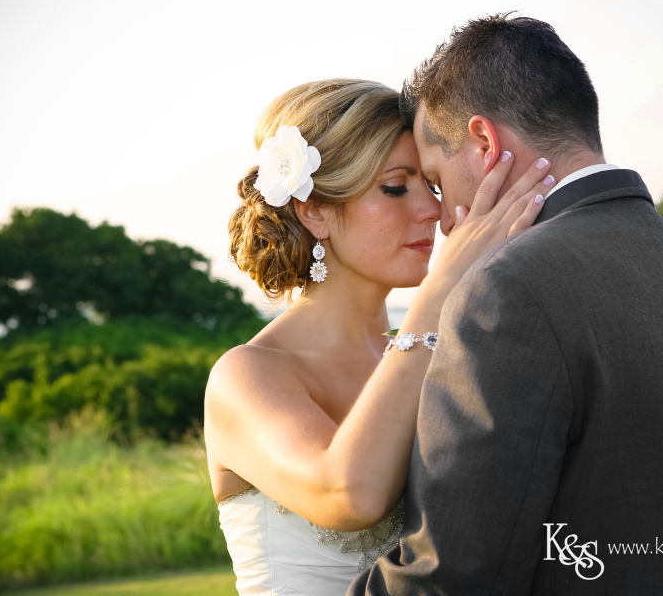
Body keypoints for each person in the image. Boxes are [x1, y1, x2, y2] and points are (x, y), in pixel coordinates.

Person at [346, 14, 663, 596]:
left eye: (438, 182)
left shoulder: (505, 292)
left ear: (484, 144)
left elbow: (454, 576)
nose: (442, 218)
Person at [204, 78, 559, 596]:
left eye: (433, 187)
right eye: (396, 187)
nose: (433, 213)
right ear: (315, 211)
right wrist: (440, 292)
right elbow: (349, 494)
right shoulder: (247, 375)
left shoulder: (437, 349)